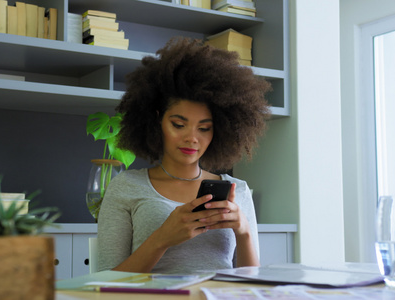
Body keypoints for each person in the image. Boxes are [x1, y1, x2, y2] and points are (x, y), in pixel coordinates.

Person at [97, 37, 271, 273]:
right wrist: (163, 238)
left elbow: (250, 286)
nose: (192, 138)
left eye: (204, 128)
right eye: (179, 124)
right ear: (157, 120)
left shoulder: (237, 190)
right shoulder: (126, 187)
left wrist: (244, 232)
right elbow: (105, 283)